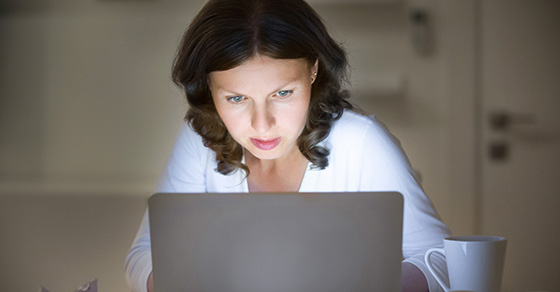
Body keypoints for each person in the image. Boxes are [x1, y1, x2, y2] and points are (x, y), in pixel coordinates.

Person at [125, 0, 450, 291]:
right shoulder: (199, 139)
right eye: (237, 98)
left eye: (282, 93)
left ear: (313, 71)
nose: (262, 124)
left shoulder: (361, 142)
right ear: (208, 90)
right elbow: (144, 255)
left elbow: (441, 260)